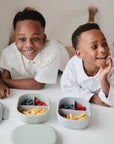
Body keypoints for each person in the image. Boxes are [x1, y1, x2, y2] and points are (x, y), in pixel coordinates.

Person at [0, 8, 69, 90]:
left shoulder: (54, 50)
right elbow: (5, 73)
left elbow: (38, 84)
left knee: (80, 47)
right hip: (38, 50)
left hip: (61, 57)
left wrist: (6, 82)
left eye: (35, 38)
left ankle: (89, 18)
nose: (29, 45)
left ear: (43, 39)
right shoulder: (8, 53)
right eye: (22, 39)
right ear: (15, 39)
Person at [61, 6, 114, 107]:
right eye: (94, 46)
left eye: (104, 44)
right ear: (79, 54)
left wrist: (103, 79)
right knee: (90, 31)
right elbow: (67, 88)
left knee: (93, 32)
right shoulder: (73, 63)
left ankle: (92, 16)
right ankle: (91, 15)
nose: (103, 49)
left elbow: (112, 100)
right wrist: (92, 98)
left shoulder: (111, 66)